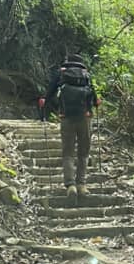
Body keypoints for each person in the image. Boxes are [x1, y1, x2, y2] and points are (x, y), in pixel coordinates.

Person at [38, 54, 99, 200]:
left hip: (66, 117)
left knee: (68, 152)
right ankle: (81, 185)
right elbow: (95, 99)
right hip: (84, 118)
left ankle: (70, 185)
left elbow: (49, 95)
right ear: (81, 64)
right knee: (83, 152)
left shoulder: (61, 74)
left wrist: (45, 104)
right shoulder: (86, 75)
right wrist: (94, 105)